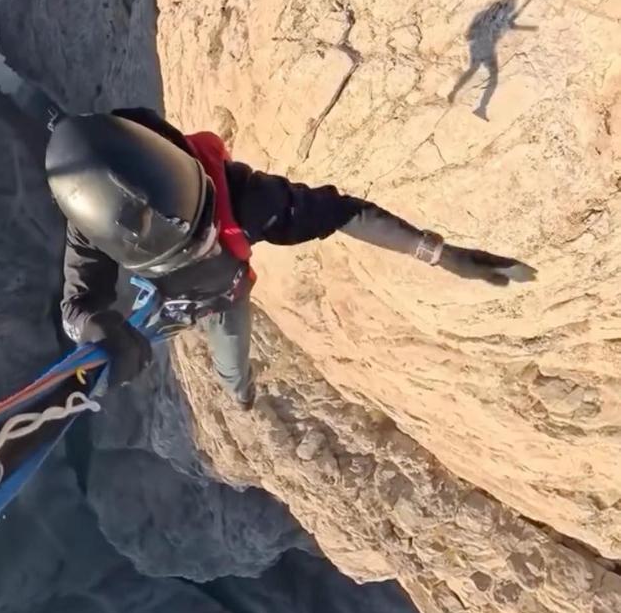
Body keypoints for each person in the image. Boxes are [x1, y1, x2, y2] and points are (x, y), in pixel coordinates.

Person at [45, 108, 533, 409]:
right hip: (206, 291)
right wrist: (96, 330)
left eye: (205, 228)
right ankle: (237, 390)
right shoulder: (95, 226)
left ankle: (239, 393)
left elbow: (341, 212)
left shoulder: (247, 197)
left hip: (208, 294)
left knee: (231, 355)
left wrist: (440, 253)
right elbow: (77, 309)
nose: (204, 236)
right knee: (223, 347)